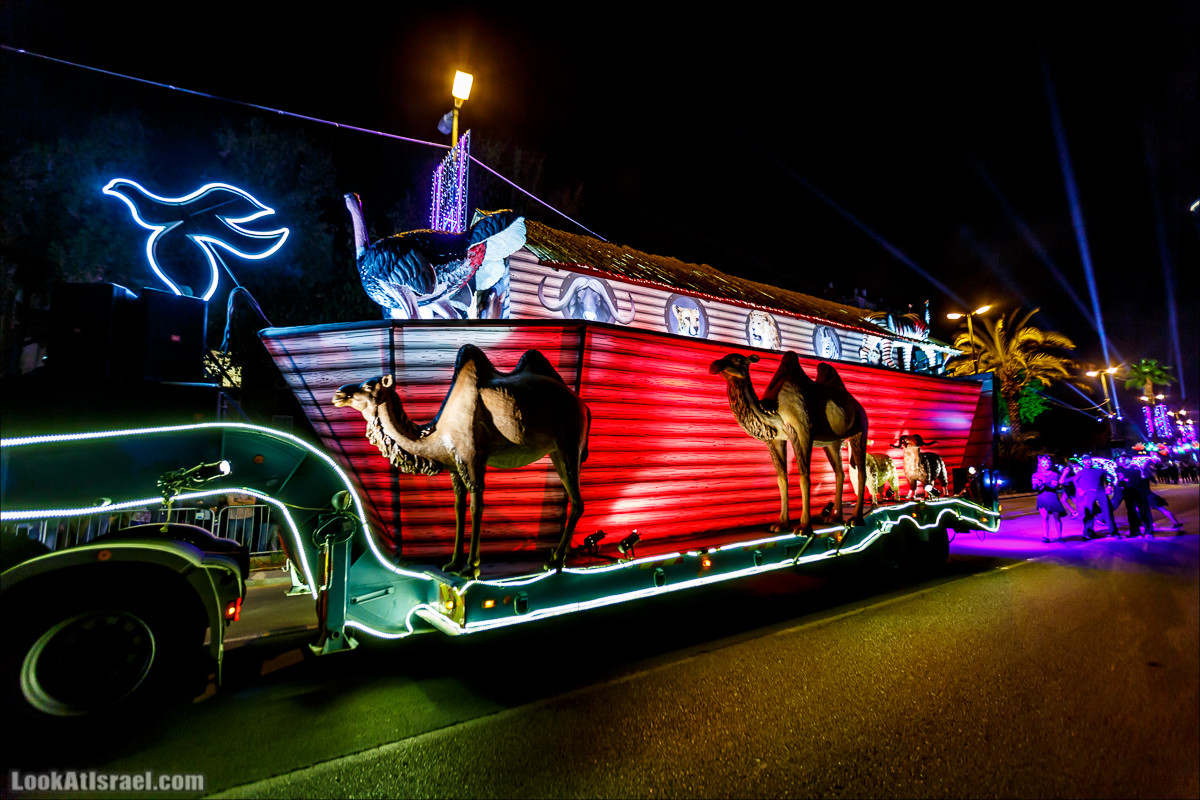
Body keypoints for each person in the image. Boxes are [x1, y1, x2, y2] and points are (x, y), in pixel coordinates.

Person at [1074, 455, 1121, 538]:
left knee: (1107, 512)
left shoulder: (1099, 471)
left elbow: (1111, 477)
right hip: (1089, 493)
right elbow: (1075, 481)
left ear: (1091, 461)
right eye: (1085, 460)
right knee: (1088, 513)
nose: (1087, 462)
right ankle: (1088, 533)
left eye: (1089, 460)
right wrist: (1079, 489)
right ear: (1083, 462)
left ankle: (1114, 532)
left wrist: (1109, 486)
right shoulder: (1080, 472)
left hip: (1101, 492)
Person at [1032, 455, 1069, 542]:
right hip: (1042, 498)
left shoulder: (1054, 474)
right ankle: (1046, 536)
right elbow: (1034, 488)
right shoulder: (1035, 475)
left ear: (1050, 464)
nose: (1045, 464)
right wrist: (1038, 484)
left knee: (1057, 517)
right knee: (1045, 518)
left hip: (1053, 498)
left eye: (1047, 463)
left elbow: (1054, 487)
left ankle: (1060, 536)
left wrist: (1044, 483)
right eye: (1043, 463)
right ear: (1040, 464)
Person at [1116, 456, 1154, 538]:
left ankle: (1148, 531)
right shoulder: (1120, 470)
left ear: (1130, 460)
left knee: (1143, 511)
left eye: (1124, 459)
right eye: (1122, 459)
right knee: (1131, 512)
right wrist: (1121, 482)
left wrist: (1128, 480)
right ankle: (1135, 531)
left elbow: (1144, 479)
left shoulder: (1137, 469)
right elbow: (1119, 482)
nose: (1123, 460)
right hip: (1128, 494)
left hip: (1139, 493)